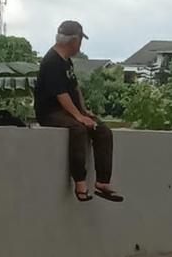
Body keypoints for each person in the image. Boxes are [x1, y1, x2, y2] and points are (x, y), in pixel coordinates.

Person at [34, 20, 123, 202]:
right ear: (74, 41)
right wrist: (78, 117)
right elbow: (61, 94)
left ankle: (103, 181)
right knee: (78, 129)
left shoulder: (67, 62)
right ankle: (80, 182)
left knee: (102, 130)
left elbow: (75, 89)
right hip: (51, 113)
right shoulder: (52, 61)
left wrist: (84, 111)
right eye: (81, 40)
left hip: (70, 110)